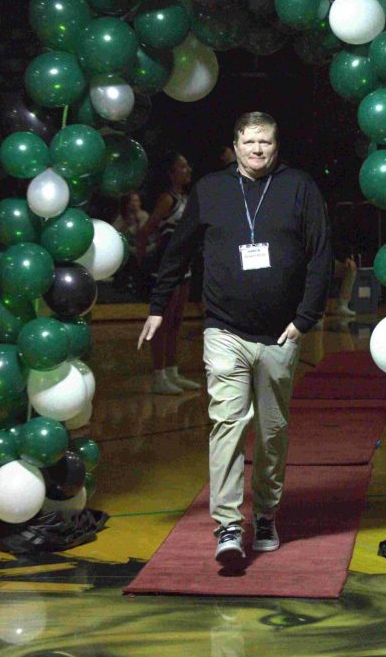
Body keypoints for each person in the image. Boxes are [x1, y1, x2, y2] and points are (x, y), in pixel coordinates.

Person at [138, 111, 333, 565]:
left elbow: (322, 253)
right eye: (250, 142)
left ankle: (265, 513)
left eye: (265, 142)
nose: (258, 149)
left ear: (276, 145)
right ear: (237, 144)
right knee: (227, 424)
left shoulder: (299, 187)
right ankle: (227, 523)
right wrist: (156, 305)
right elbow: (178, 250)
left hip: (280, 335)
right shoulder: (210, 189)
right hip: (223, 329)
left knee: (272, 431)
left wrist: (305, 319)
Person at [137, 152, 200, 395]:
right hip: (167, 269)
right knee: (162, 323)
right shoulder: (167, 199)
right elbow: (145, 231)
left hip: (184, 268)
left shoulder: (185, 198)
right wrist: (143, 263)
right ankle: (158, 375)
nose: (188, 170)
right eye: (182, 167)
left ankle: (173, 372)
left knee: (176, 322)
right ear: (172, 173)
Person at [113, 192, 151, 298]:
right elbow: (114, 231)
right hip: (129, 248)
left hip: (144, 247)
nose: (134, 203)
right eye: (132, 201)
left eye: (136, 201)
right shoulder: (123, 217)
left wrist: (138, 221)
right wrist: (125, 223)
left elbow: (144, 236)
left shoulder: (144, 215)